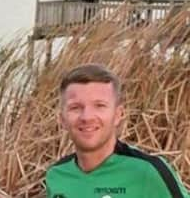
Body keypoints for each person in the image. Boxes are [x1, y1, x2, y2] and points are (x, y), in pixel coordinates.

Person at [46, 64, 189, 198]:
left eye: (99, 105)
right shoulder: (57, 175)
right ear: (62, 119)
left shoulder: (147, 172)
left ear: (118, 114)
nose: (87, 117)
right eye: (75, 107)